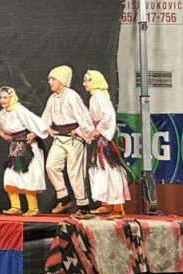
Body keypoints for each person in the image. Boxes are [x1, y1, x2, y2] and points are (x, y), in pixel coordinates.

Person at [41, 65, 94, 218]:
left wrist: (82, 132)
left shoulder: (72, 96)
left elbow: (83, 116)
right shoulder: (52, 98)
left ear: (61, 80)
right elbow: (45, 119)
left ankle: (83, 206)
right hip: (60, 137)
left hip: (74, 138)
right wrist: (45, 130)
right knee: (51, 166)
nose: (50, 82)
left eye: (53, 79)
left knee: (74, 171)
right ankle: (64, 199)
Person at [0, 86, 50, 216]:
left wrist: (34, 134)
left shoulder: (20, 110)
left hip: (28, 148)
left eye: (5, 97)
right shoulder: (2, 114)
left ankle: (33, 209)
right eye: (1, 97)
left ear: (12, 98)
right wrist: (2, 134)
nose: (2, 100)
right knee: (10, 177)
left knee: (28, 177)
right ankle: (15, 207)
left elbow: (38, 124)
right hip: (15, 148)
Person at [83, 70, 132, 218]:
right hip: (101, 138)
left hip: (106, 140)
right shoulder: (95, 97)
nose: (84, 84)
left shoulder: (98, 96)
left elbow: (109, 116)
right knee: (100, 171)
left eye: (87, 80)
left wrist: (98, 130)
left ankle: (118, 207)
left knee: (111, 170)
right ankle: (106, 204)